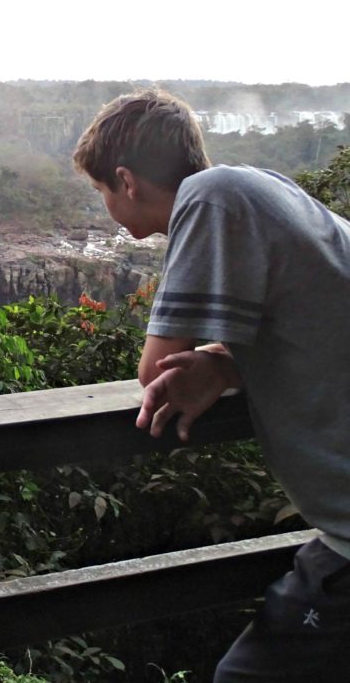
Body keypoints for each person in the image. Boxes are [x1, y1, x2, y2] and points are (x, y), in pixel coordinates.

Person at [72, 89, 350, 682]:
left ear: (126, 181)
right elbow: (301, 320)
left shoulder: (209, 200)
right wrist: (227, 362)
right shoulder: (261, 186)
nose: (106, 210)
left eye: (101, 193)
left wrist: (216, 361)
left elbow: (157, 369)